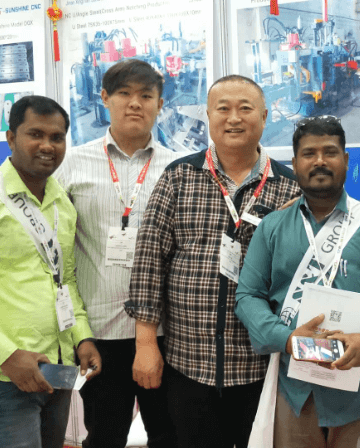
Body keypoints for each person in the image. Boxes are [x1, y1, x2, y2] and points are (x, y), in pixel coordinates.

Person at [125, 74, 301, 448]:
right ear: (208, 116)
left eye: (245, 108)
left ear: (265, 116)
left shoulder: (290, 187)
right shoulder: (179, 177)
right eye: (223, 108)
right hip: (189, 364)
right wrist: (145, 344)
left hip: (260, 367)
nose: (233, 118)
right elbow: (149, 262)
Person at [235, 116, 360, 448]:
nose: (320, 161)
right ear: (294, 164)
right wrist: (287, 339)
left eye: (330, 152)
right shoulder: (272, 228)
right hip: (294, 394)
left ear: (346, 160)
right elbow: (248, 296)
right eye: (309, 153)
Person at [54, 59, 178, 447]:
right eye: (124, 93)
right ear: (105, 98)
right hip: (99, 333)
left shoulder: (178, 168)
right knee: (105, 435)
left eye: (146, 95)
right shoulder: (71, 164)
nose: (135, 103)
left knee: (168, 435)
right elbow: (55, 251)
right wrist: (75, 333)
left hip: (165, 333)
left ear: (160, 104)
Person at [0, 95, 101, 448]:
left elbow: (64, 279)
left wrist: (82, 337)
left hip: (56, 368)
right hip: (4, 376)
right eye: (35, 134)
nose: (47, 146)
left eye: (57, 137)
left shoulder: (61, 203)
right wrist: (5, 354)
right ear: (11, 138)